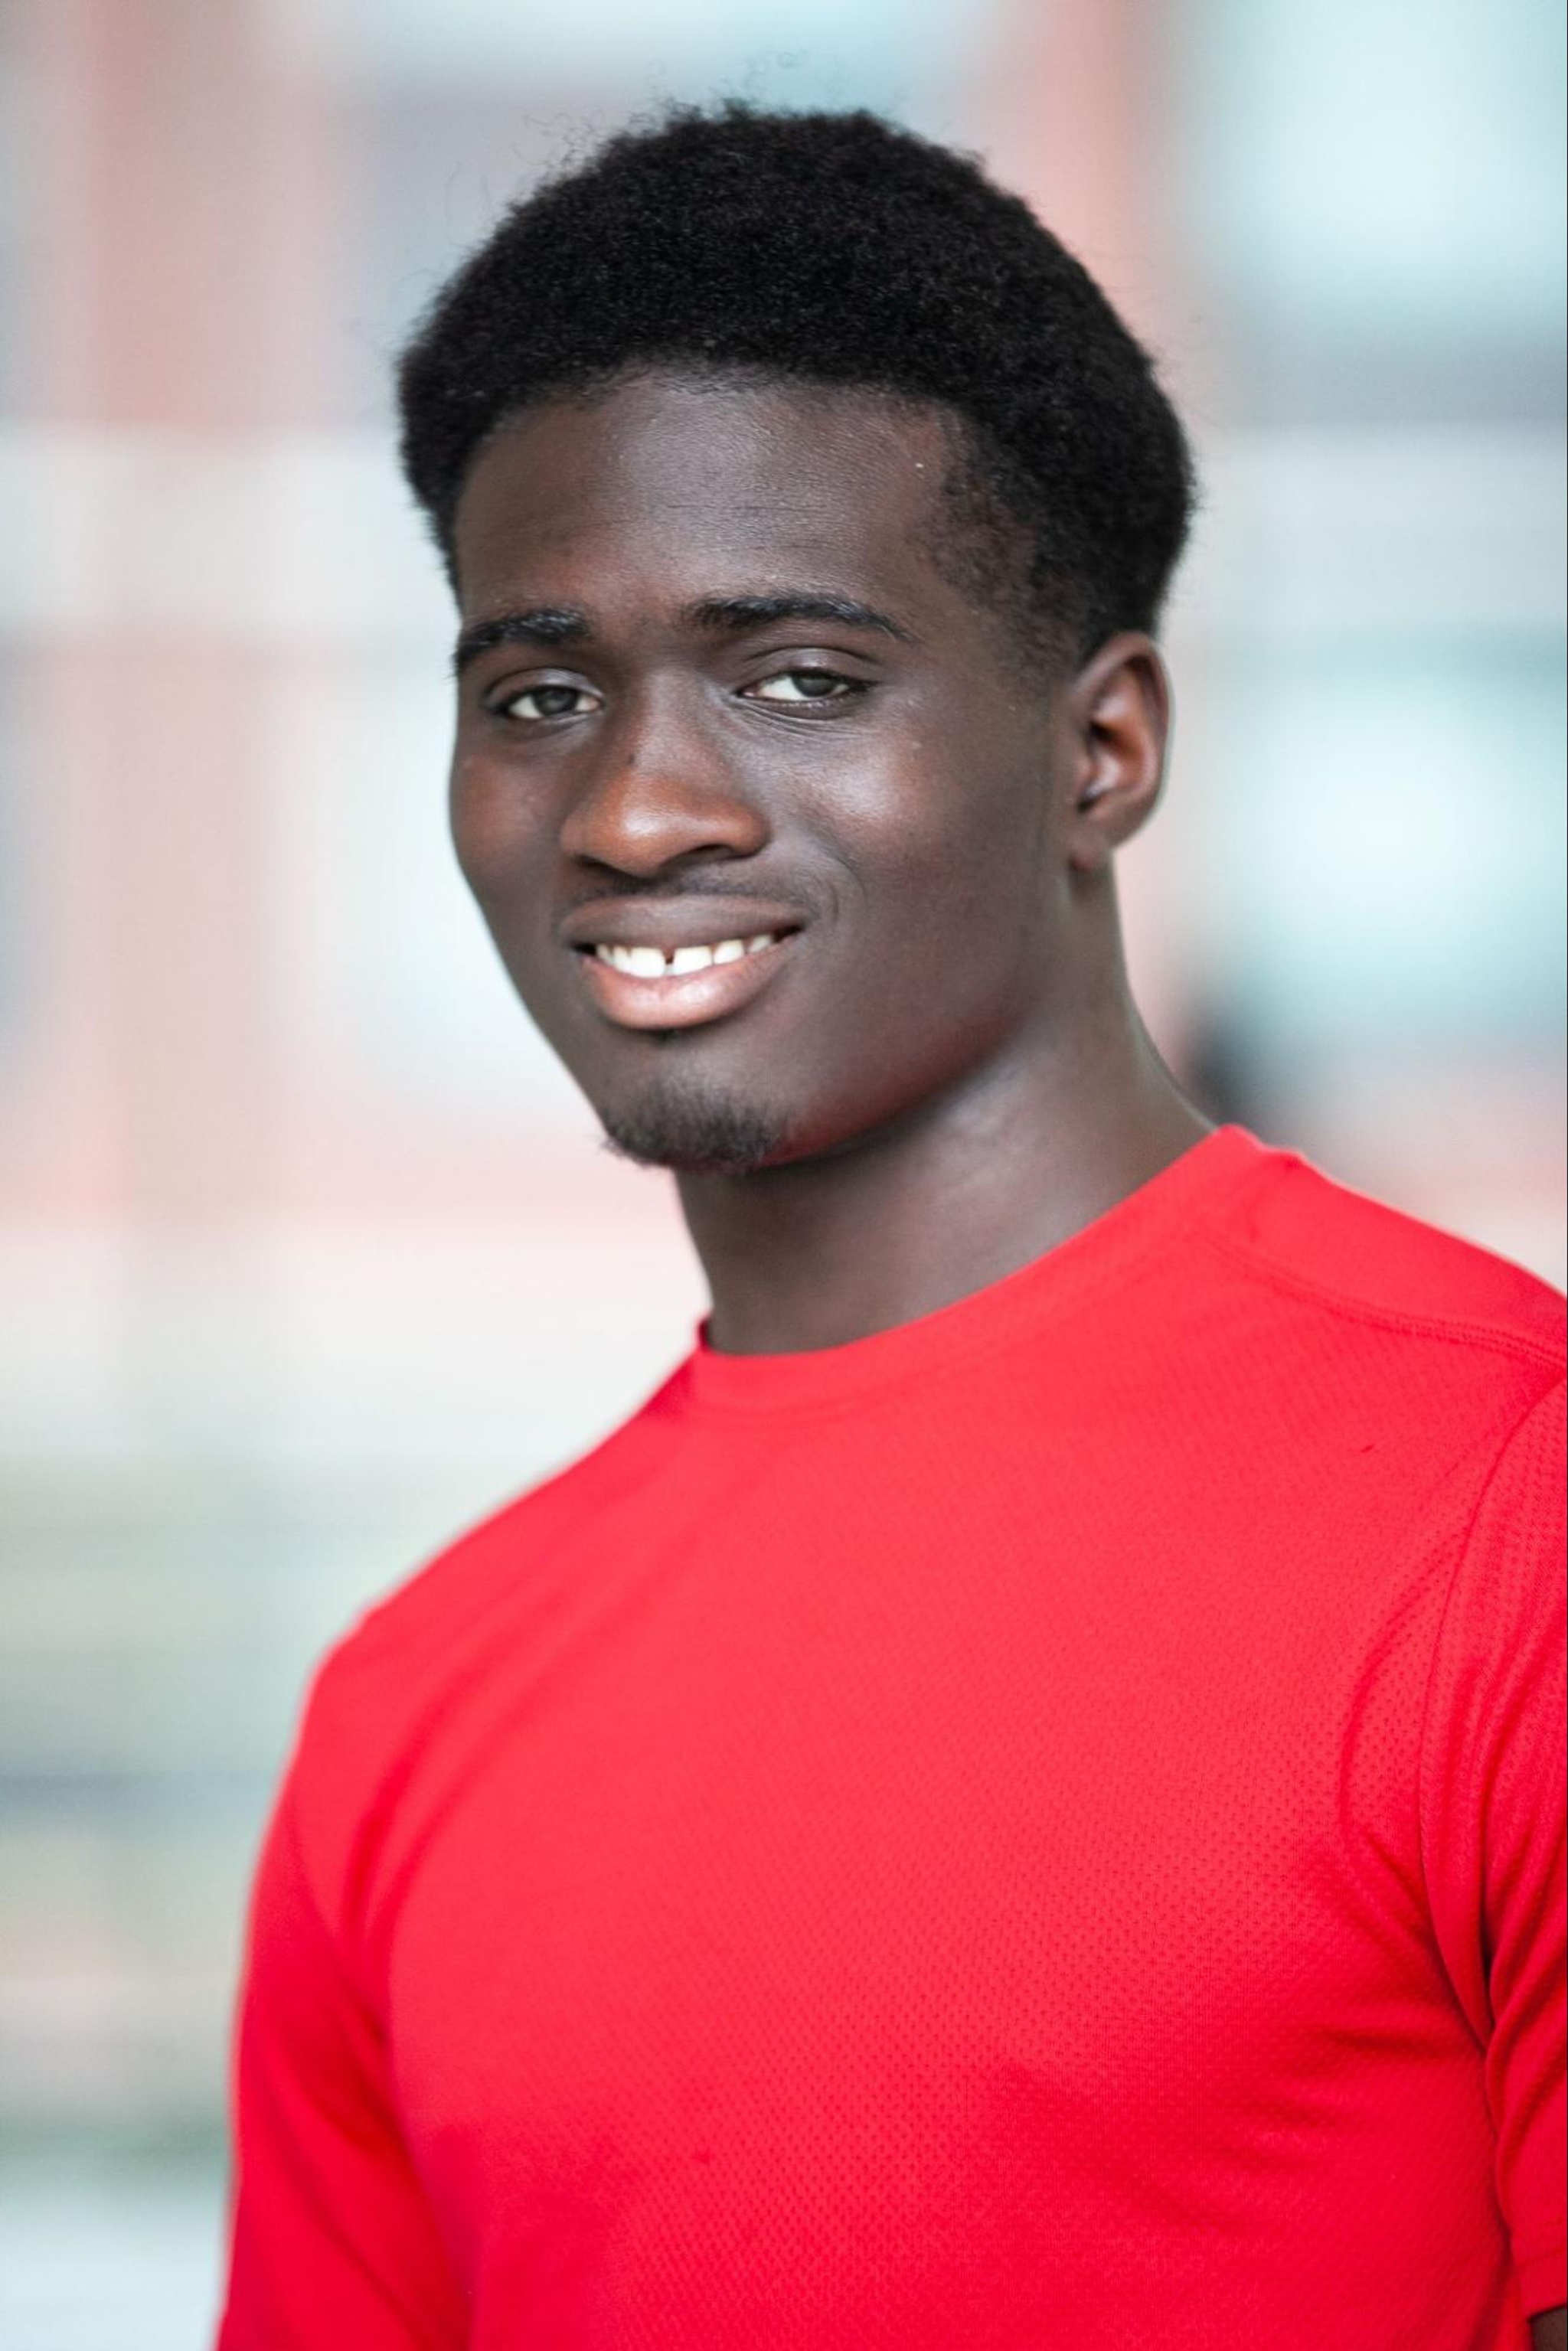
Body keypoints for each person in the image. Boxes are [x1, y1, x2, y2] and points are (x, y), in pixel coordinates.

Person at [215, 106, 1566, 2349]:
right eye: (538, 696)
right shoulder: (407, 1716)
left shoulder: (1509, 1512)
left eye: (801, 679)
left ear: (1102, 748)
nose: (638, 808)